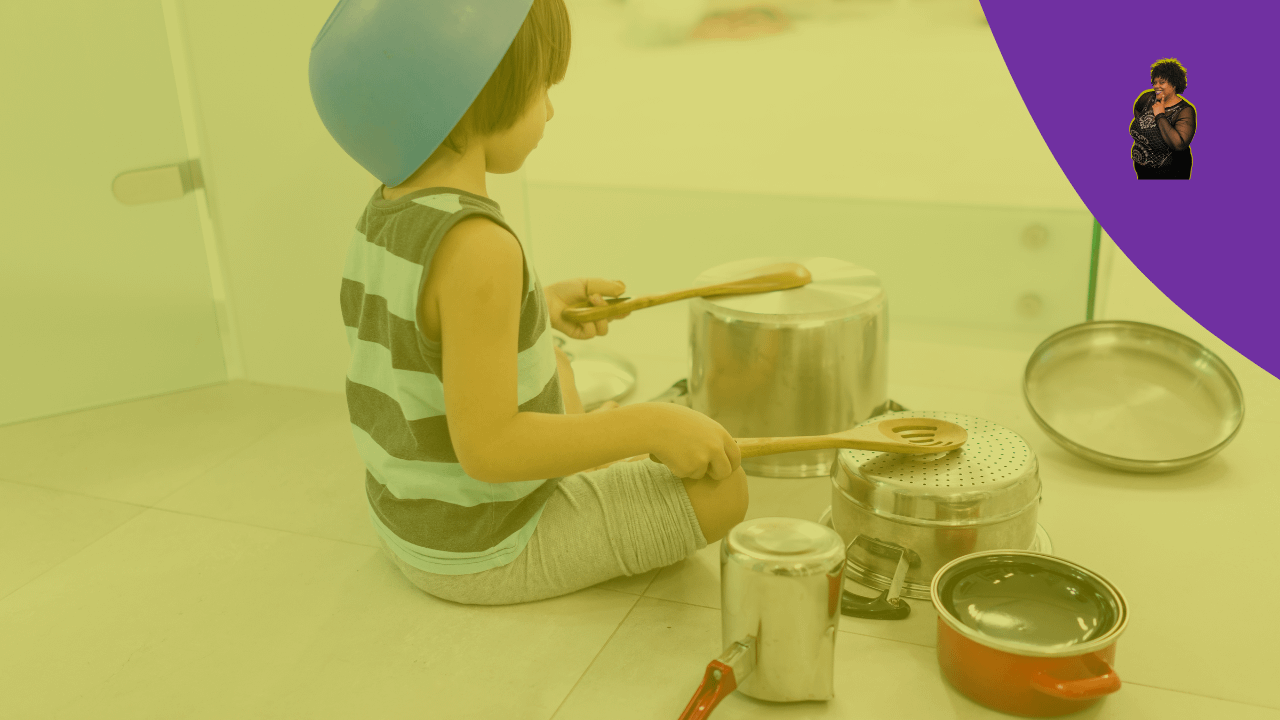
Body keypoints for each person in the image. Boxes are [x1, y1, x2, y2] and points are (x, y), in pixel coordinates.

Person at [325, 0, 747, 605]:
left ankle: (589, 462)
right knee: (724, 490)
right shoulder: (480, 247)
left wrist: (536, 308)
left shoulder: (387, 207)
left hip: (407, 518)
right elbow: (492, 450)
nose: (550, 108)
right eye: (543, 86)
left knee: (558, 360)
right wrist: (648, 426)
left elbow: (419, 333)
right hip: (484, 546)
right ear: (479, 91)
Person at [1131, 58, 1196, 179]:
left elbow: (1179, 144)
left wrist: (1160, 115)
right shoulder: (1147, 97)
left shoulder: (1186, 110)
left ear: (1174, 84)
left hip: (1172, 172)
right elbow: (1137, 110)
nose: (1156, 86)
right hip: (1143, 169)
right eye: (1155, 82)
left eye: (1161, 82)